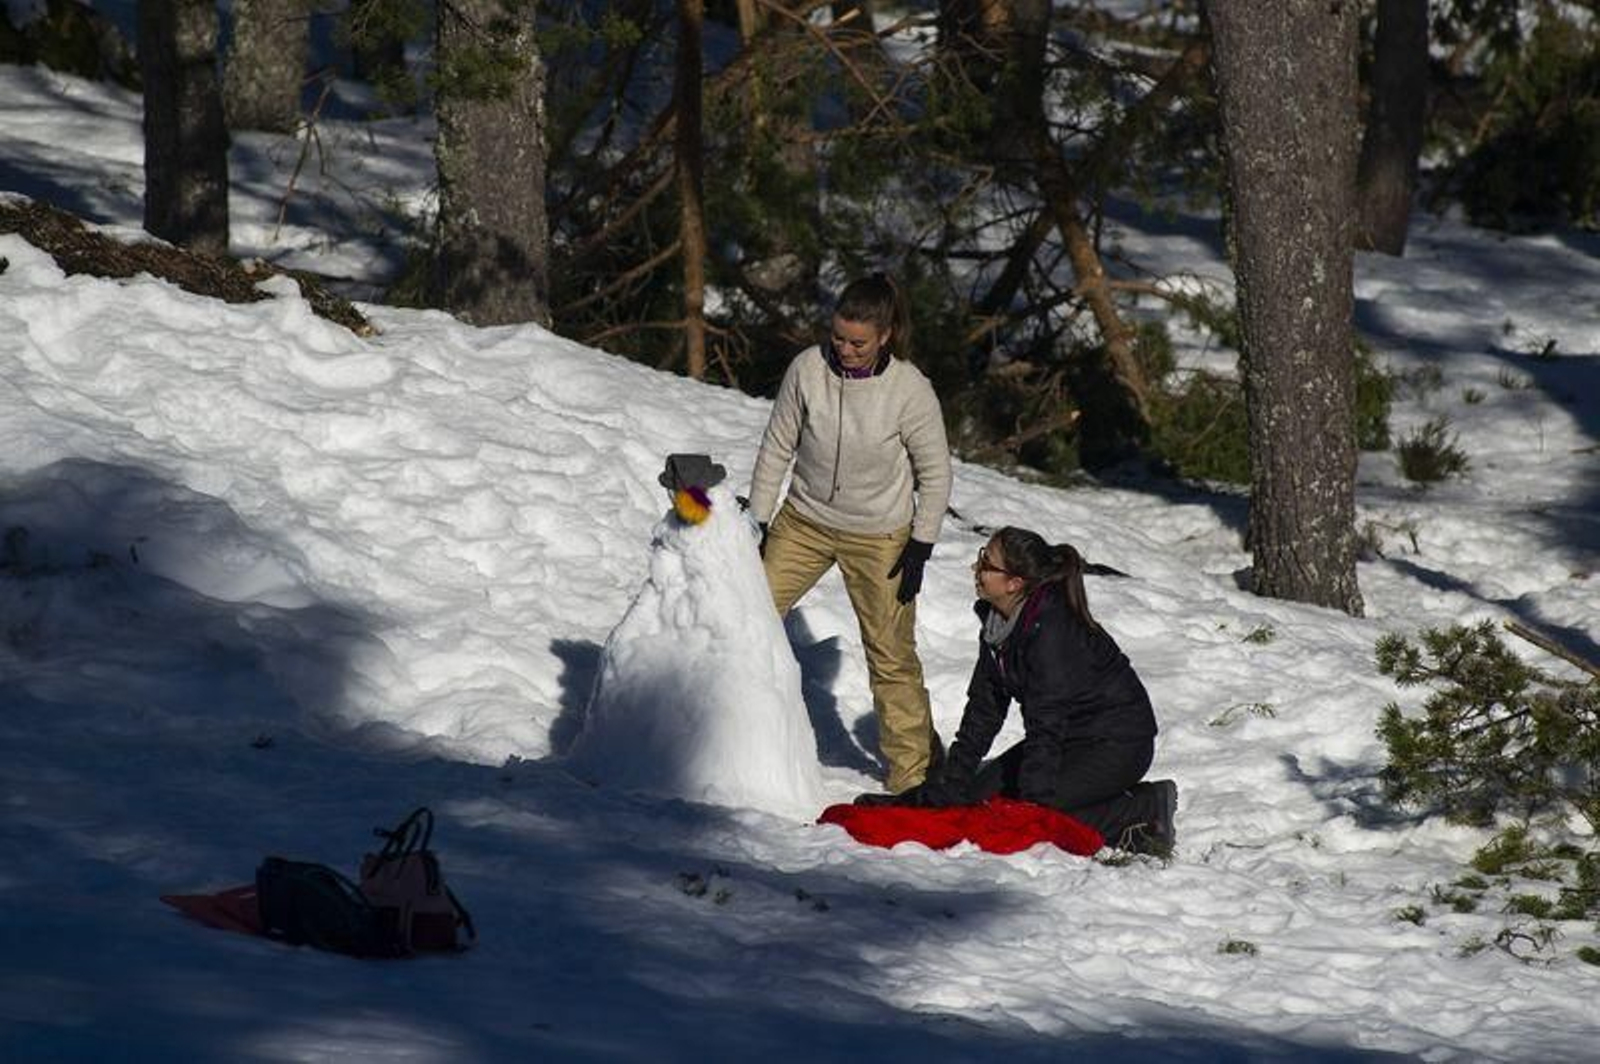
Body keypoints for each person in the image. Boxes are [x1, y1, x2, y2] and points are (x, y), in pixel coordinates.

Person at [745, 273, 953, 795]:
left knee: (891, 653)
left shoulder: (909, 390)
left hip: (880, 536)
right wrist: (759, 519)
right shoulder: (807, 369)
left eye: (858, 342)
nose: (845, 349)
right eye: (838, 337)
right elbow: (777, 447)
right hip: (804, 521)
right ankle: (731, 735)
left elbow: (935, 474)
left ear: (886, 335)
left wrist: (921, 544)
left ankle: (913, 776)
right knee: (745, 613)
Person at [863, 526, 1178, 856]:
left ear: (1014, 583)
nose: (975, 568)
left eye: (986, 563)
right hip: (1068, 738)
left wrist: (1032, 807)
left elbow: (1046, 722)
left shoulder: (1051, 630)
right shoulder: (998, 624)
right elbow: (984, 712)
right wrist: (948, 789)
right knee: (977, 802)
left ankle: (1146, 810)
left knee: (1030, 819)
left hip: (1118, 744)